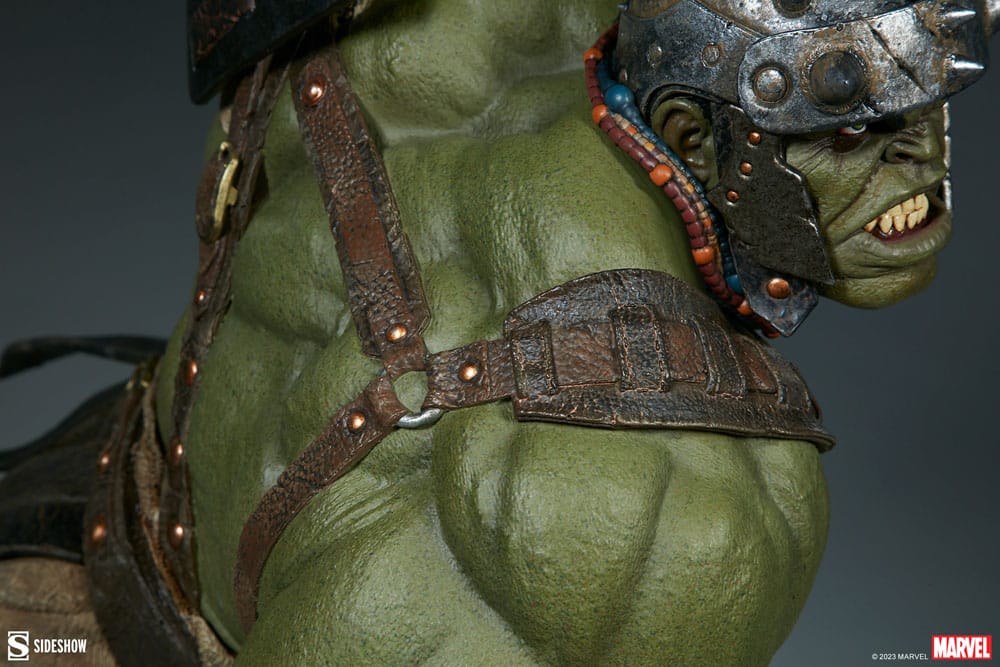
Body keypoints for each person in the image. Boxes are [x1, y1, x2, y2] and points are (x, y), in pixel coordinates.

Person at [1, 1, 996, 664]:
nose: (924, 172)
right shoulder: (666, 509)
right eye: (854, 131)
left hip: (159, 466)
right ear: (693, 137)